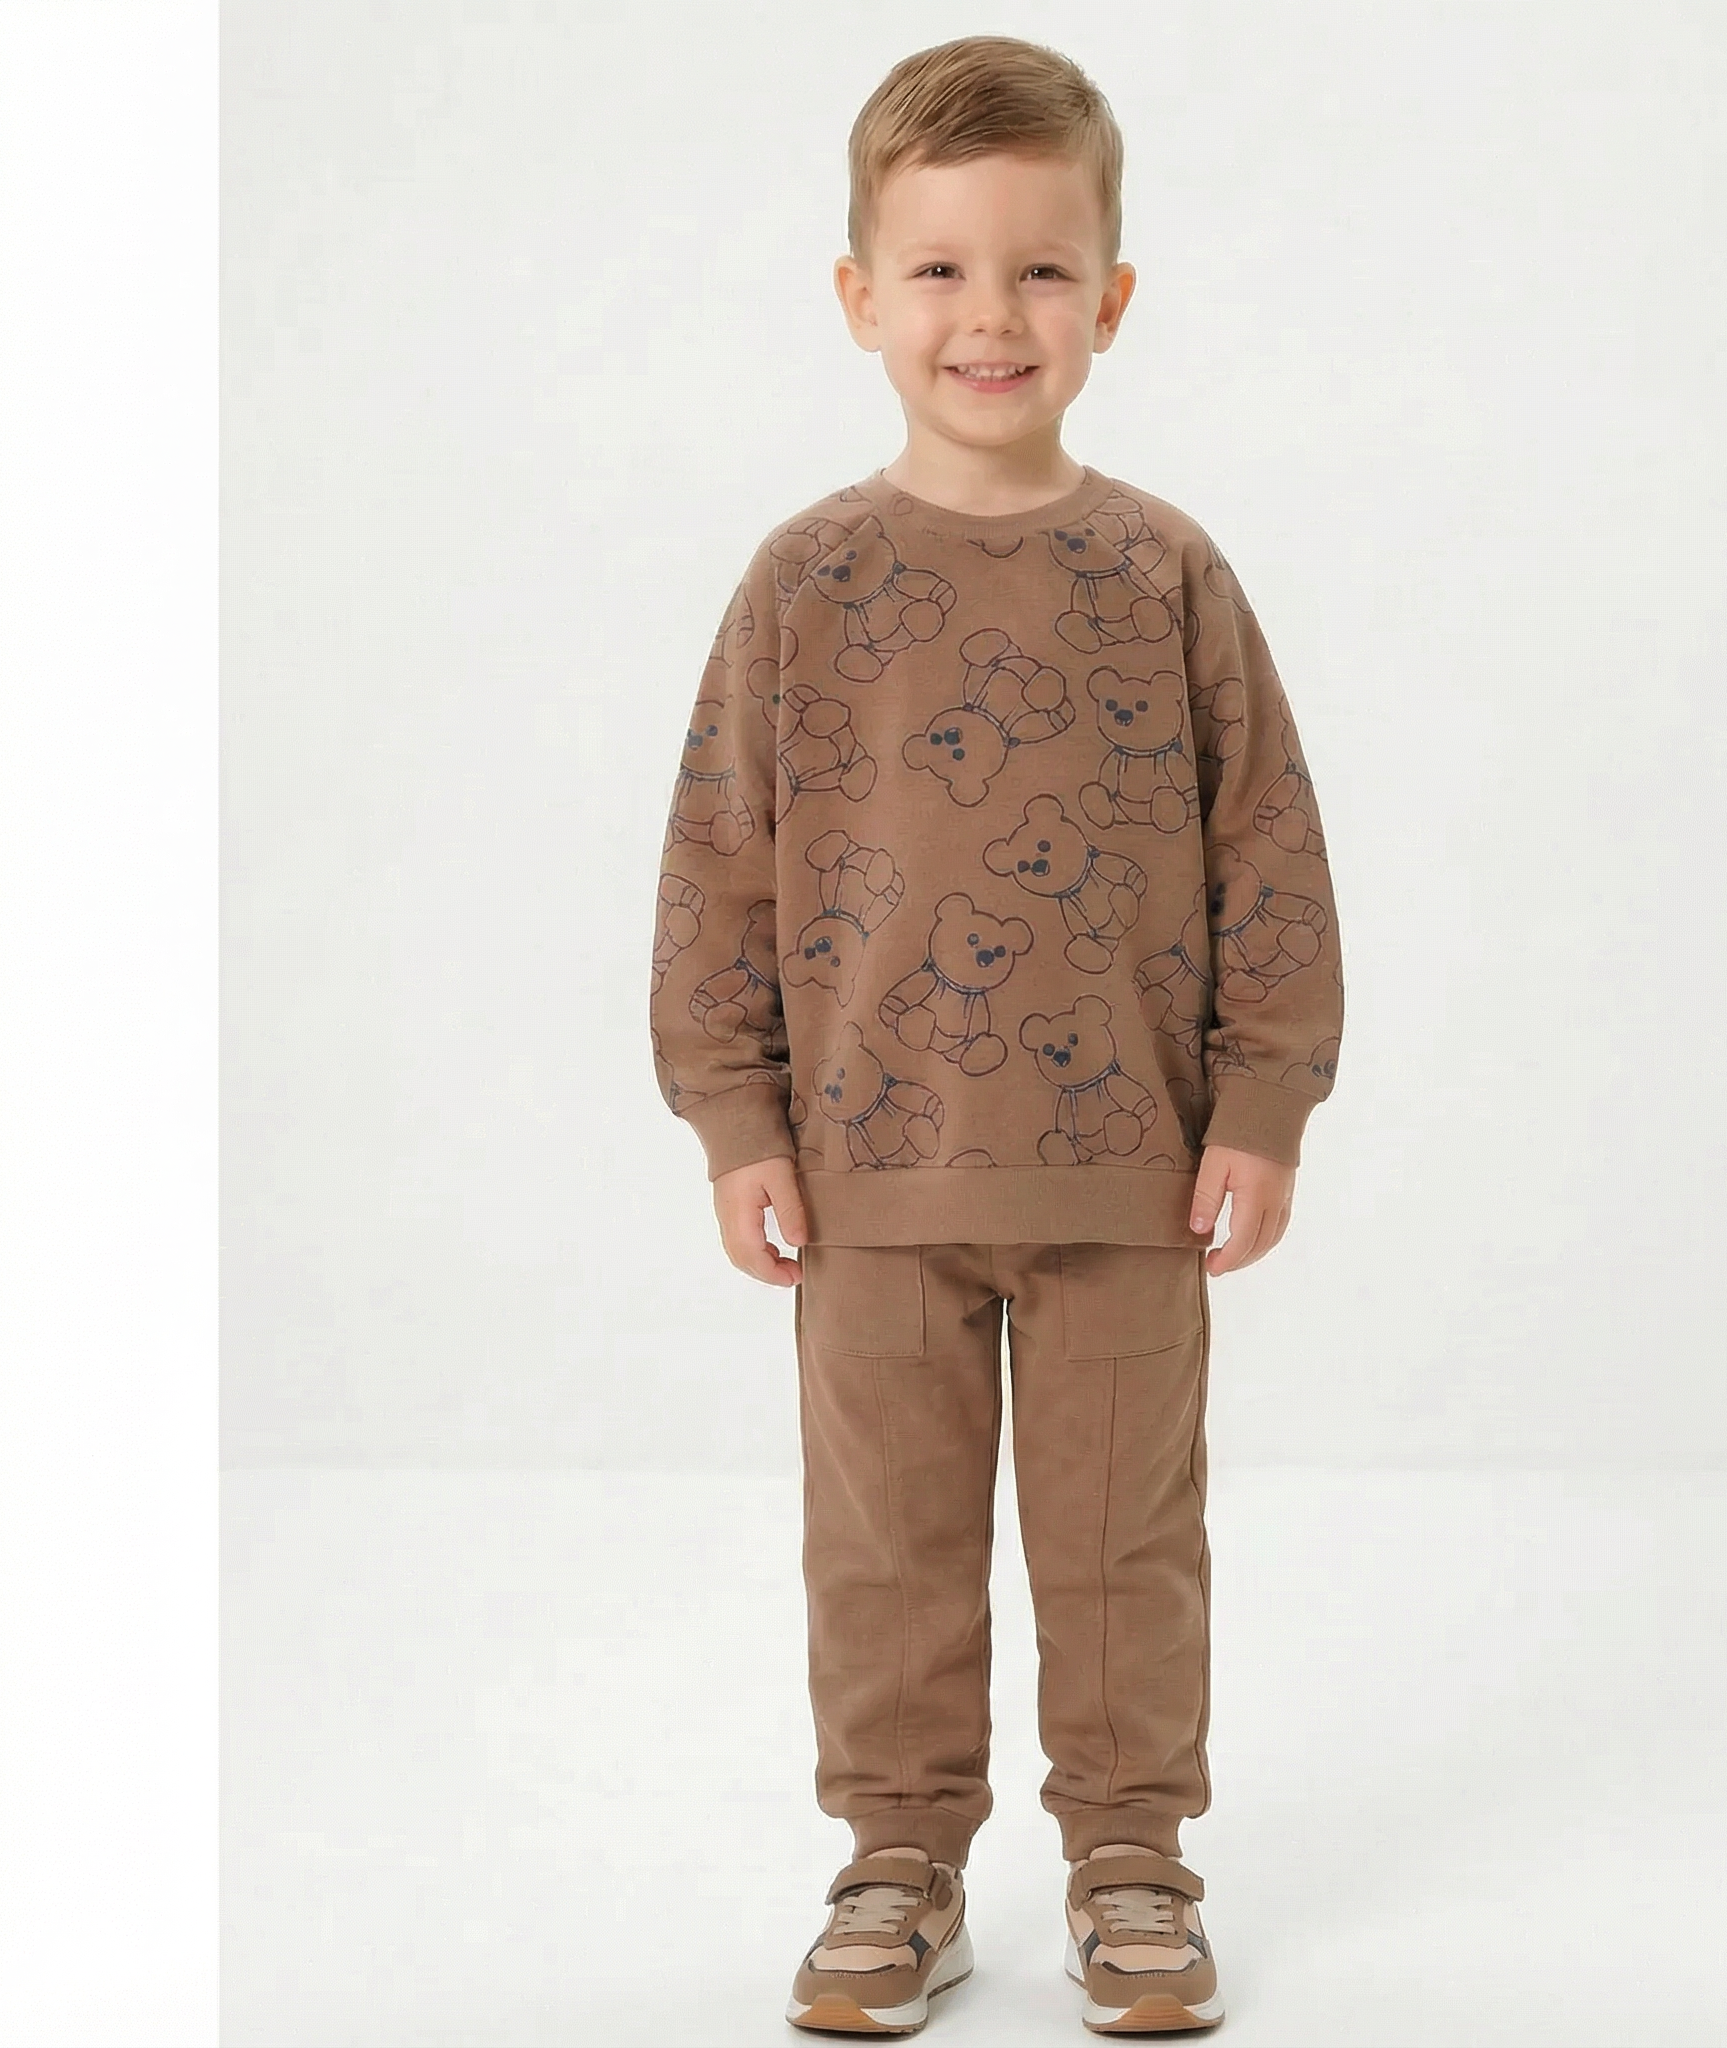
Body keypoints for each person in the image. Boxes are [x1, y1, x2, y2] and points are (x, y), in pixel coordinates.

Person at [649, 34, 1345, 2036]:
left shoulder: (1163, 571)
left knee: (1128, 1542)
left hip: (1131, 1174)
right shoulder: (805, 581)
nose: (992, 314)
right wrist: (735, 1119)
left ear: (1110, 300)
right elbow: (718, 861)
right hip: (868, 1179)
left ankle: (1132, 1857)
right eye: (941, 268)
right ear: (858, 295)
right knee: (885, 1547)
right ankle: (899, 1859)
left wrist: (1265, 1102)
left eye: (1041, 270)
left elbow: (1267, 846)